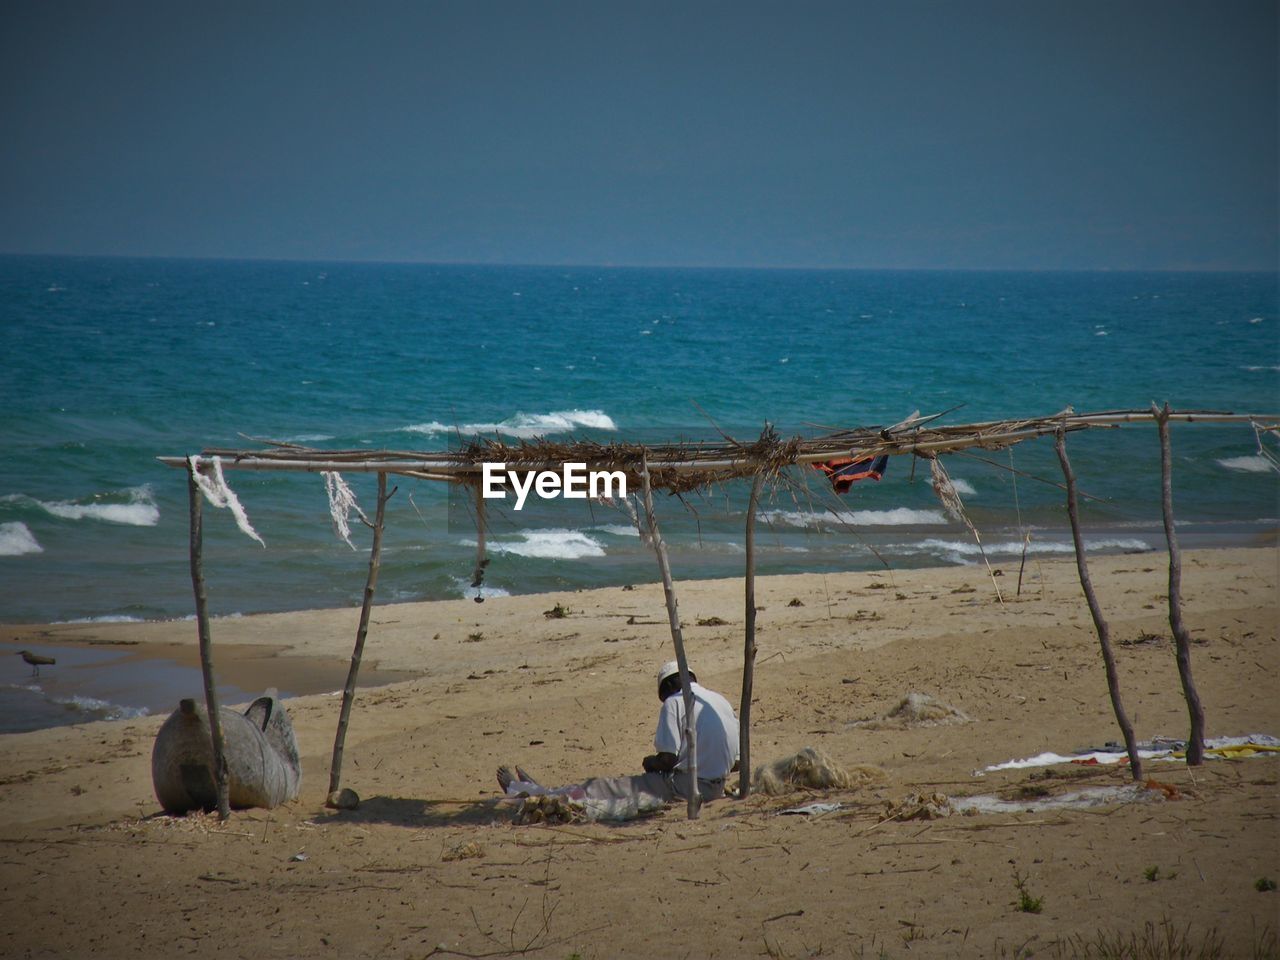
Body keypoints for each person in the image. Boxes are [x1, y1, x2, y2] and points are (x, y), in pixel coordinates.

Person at [497, 660, 740, 810]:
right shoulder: (719, 701)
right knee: (612, 789)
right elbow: (737, 762)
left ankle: (533, 794)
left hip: (688, 788)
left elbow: (667, 759)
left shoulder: (675, 702)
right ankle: (540, 790)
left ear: (666, 689)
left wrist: (650, 763)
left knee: (606, 788)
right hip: (716, 787)